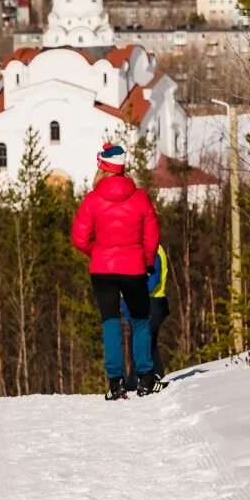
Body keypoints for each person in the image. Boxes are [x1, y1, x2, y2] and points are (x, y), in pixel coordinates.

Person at [70, 142, 163, 400]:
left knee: (110, 323)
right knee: (140, 321)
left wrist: (97, 253)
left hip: (102, 271)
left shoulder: (92, 199)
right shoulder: (141, 196)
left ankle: (115, 383)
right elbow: (152, 235)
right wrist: (145, 261)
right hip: (134, 268)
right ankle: (145, 378)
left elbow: (79, 238)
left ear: (102, 169)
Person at [125, 244, 170, 391]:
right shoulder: (140, 249)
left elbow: (153, 279)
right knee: (146, 340)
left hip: (154, 302)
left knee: (141, 338)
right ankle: (154, 375)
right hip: (146, 302)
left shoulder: (153, 249)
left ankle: (138, 379)